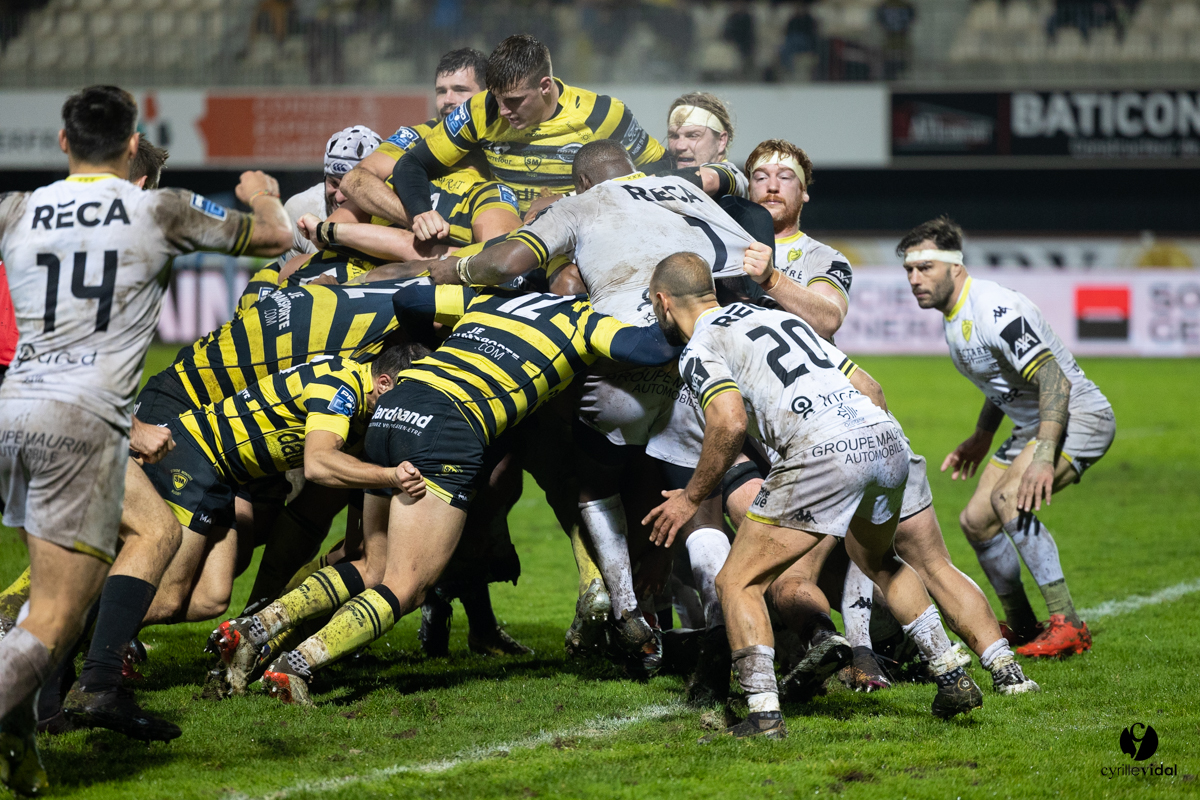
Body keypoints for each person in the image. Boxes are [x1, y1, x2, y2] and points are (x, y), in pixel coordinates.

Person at [0, 85, 290, 792]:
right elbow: (274, 240)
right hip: (83, 421)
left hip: (15, 412)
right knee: (56, 617)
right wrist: (263, 193)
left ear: (63, 142)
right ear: (135, 144)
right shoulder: (159, 206)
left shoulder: (14, 209)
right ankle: (74, 692)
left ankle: (25, 739)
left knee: (59, 595)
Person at [218, 281, 681, 704]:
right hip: (450, 427)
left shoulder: (491, 302)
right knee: (408, 584)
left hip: (397, 405)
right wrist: (691, 319)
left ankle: (255, 628)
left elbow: (410, 300)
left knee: (370, 562)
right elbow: (646, 348)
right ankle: (294, 667)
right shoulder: (585, 320)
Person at [418, 139, 771, 681]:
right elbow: (746, 248)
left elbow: (510, 260)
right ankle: (727, 634)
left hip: (625, 362)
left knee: (590, 478)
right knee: (698, 500)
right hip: (702, 349)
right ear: (631, 169)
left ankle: (625, 608)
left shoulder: (579, 205)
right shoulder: (676, 187)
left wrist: (456, 269)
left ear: (582, 182)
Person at [643, 252, 984, 740]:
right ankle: (952, 676)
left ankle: (763, 716)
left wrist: (689, 497)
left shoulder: (700, 346)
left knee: (737, 582)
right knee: (880, 560)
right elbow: (871, 386)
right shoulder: (778, 316)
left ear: (662, 302)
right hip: (884, 438)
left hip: (823, 450)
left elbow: (729, 421)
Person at [902, 216, 1113, 658]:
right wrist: (981, 435)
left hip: (1076, 414)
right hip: (1033, 422)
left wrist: (1043, 455)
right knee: (976, 522)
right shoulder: (953, 314)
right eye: (909, 269)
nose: (915, 279)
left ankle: (1068, 624)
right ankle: (1021, 623)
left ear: (955, 267)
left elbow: (1054, 378)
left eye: (925, 268)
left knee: (1010, 500)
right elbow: (1004, 383)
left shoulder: (994, 309)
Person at [393, 34, 671, 229]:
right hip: (505, 231)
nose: (502, 111)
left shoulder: (603, 114)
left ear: (545, 86)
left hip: (581, 229)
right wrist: (421, 213)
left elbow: (661, 167)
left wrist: (570, 201)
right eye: (497, 98)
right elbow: (412, 163)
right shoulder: (480, 108)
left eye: (514, 101)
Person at [665, 92, 747, 198]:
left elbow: (708, 180)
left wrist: (648, 179)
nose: (680, 146)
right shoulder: (670, 180)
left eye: (692, 136)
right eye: (674, 136)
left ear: (721, 140)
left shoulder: (733, 176)